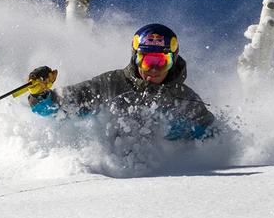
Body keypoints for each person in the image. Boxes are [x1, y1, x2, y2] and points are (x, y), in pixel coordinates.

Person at [27, 23, 216, 141]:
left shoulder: (186, 99)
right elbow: (61, 107)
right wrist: (40, 95)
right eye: (147, 60)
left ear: (173, 61)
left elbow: (214, 140)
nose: (154, 69)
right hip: (113, 179)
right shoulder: (111, 84)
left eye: (162, 61)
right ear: (135, 58)